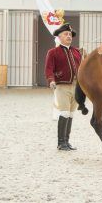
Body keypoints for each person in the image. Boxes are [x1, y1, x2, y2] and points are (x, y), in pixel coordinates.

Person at [45, 23, 82, 151]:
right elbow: (49, 69)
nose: (69, 36)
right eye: (66, 34)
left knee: (71, 114)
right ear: (59, 37)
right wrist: (51, 80)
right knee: (65, 112)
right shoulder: (53, 52)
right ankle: (61, 143)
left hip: (77, 87)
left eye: (70, 34)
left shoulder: (77, 51)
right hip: (62, 86)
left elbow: (81, 68)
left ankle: (67, 141)